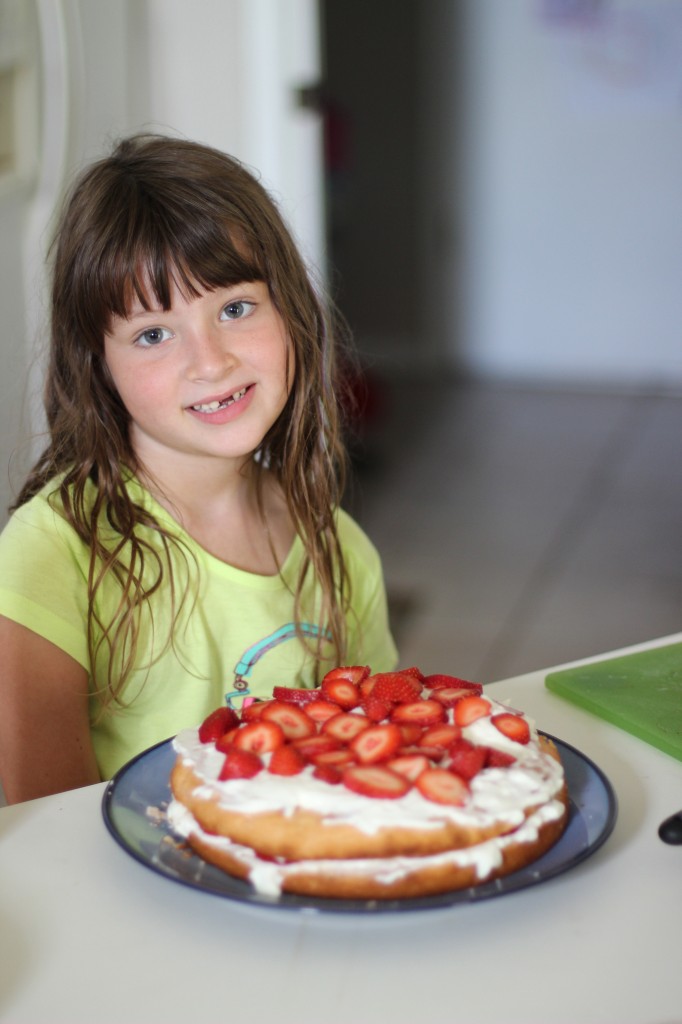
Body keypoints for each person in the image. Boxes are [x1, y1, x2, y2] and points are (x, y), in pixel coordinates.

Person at [0, 134, 397, 804]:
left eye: (235, 309)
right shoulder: (49, 557)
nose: (209, 362)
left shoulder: (342, 551)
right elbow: (45, 828)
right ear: (97, 363)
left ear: (290, 310)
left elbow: (370, 767)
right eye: (153, 334)